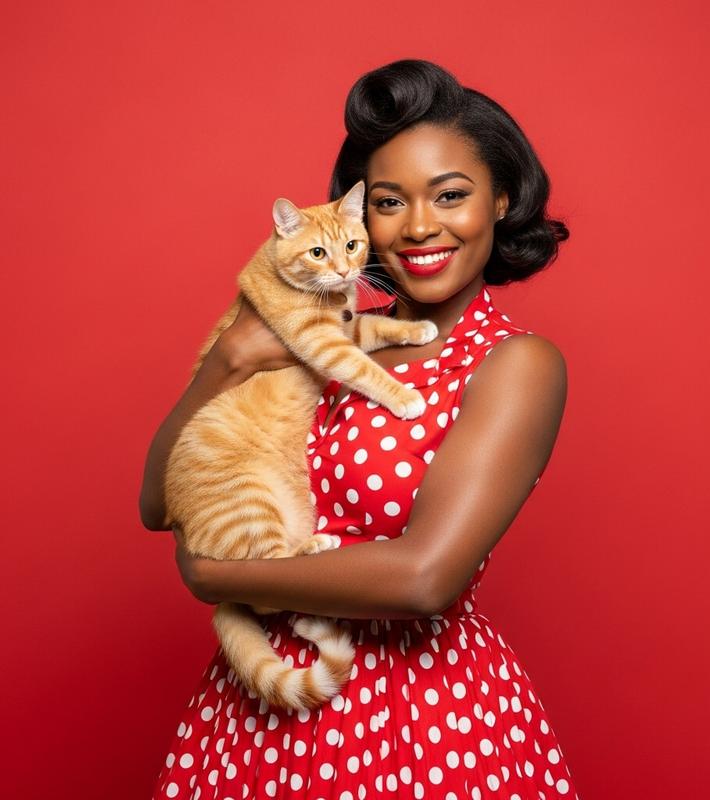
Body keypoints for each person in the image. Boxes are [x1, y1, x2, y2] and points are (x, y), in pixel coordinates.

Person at [140, 59, 578, 800]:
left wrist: (216, 577)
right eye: (387, 201)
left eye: (450, 195)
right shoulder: (326, 332)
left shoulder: (515, 364)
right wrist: (227, 361)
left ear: (501, 200)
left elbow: (422, 578)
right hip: (260, 708)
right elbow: (158, 504)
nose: (417, 227)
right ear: (356, 216)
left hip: (418, 717)